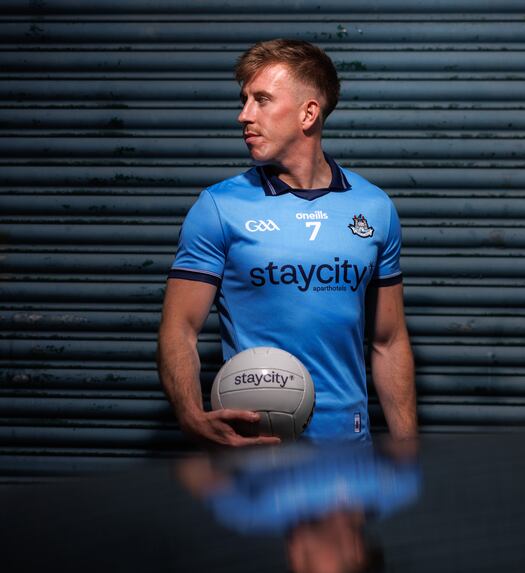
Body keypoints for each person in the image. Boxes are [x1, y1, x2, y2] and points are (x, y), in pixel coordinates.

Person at [157, 39, 417, 446]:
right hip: (258, 449)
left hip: (348, 450)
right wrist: (191, 417)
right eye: (244, 100)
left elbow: (388, 340)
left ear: (308, 113)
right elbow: (180, 328)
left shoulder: (374, 208)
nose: (244, 115)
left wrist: (407, 450)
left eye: (261, 100)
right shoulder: (218, 207)